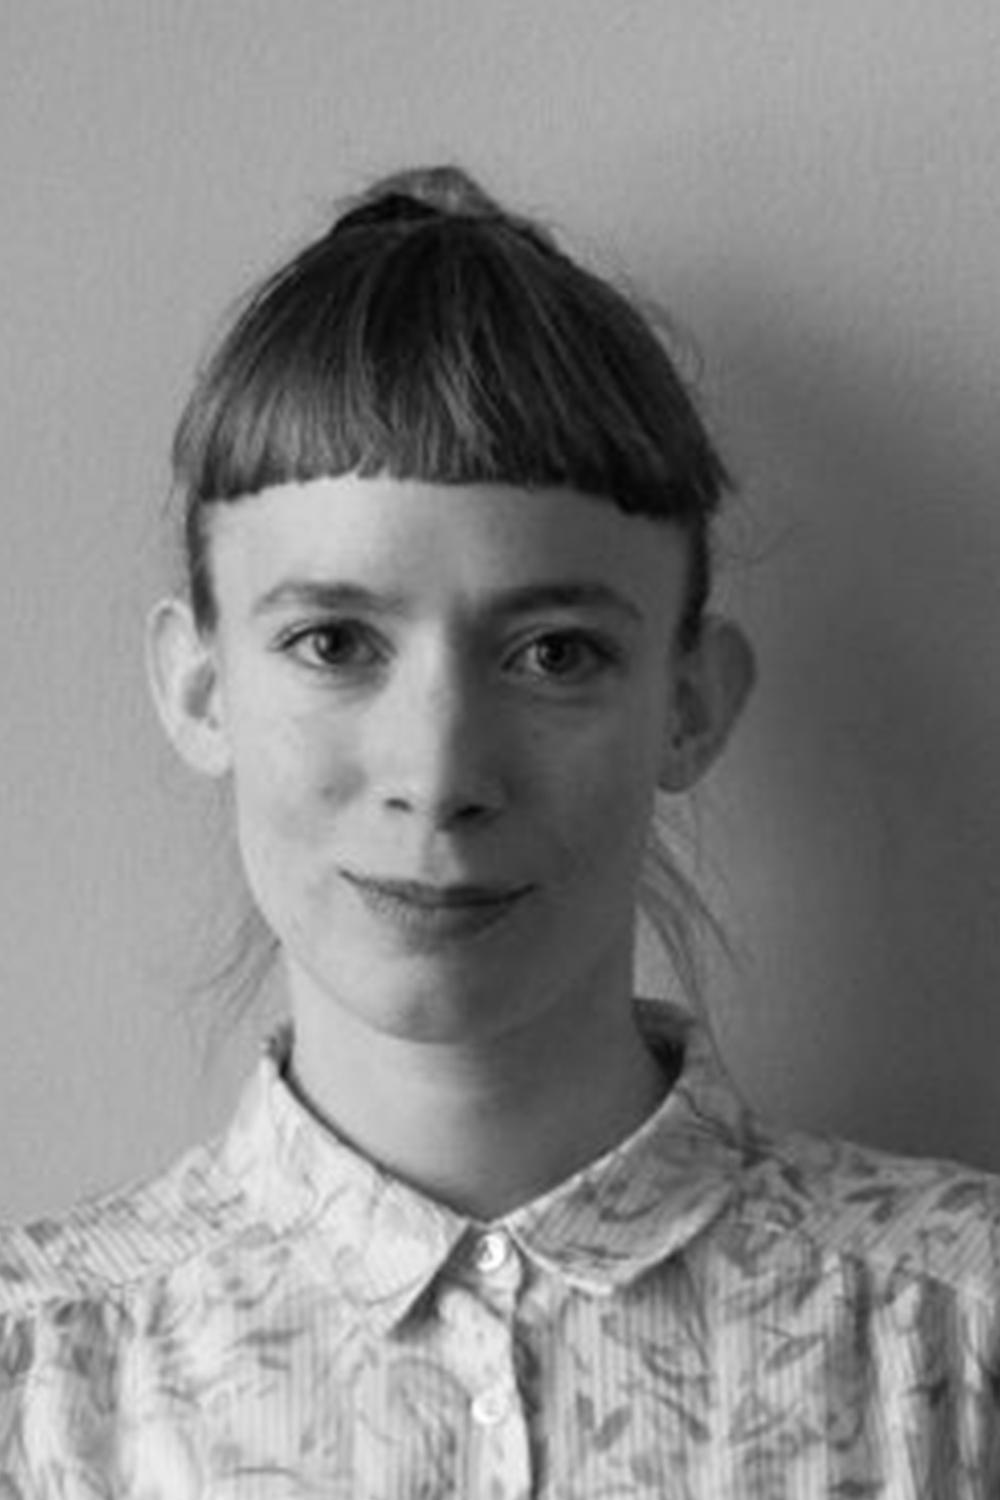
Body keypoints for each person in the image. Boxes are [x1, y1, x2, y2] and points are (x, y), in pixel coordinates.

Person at [1, 165, 998, 1498]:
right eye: (334, 642)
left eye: (553, 652)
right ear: (199, 686)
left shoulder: (958, 1332)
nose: (440, 772)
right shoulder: (43, 1380)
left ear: (691, 705)